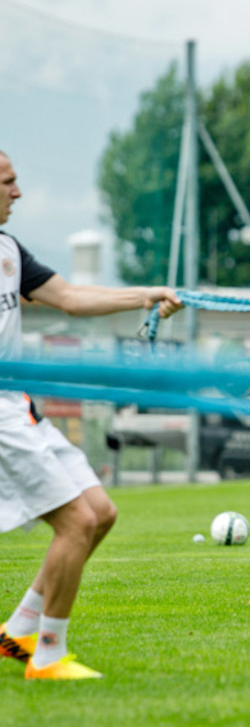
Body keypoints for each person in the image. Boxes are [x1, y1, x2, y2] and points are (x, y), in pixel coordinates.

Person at [0, 150, 182, 680]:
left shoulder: (8, 250)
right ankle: (49, 656)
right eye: (9, 182)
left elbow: (71, 296)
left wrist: (143, 295)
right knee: (75, 521)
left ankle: (19, 630)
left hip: (19, 406)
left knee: (99, 512)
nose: (19, 192)